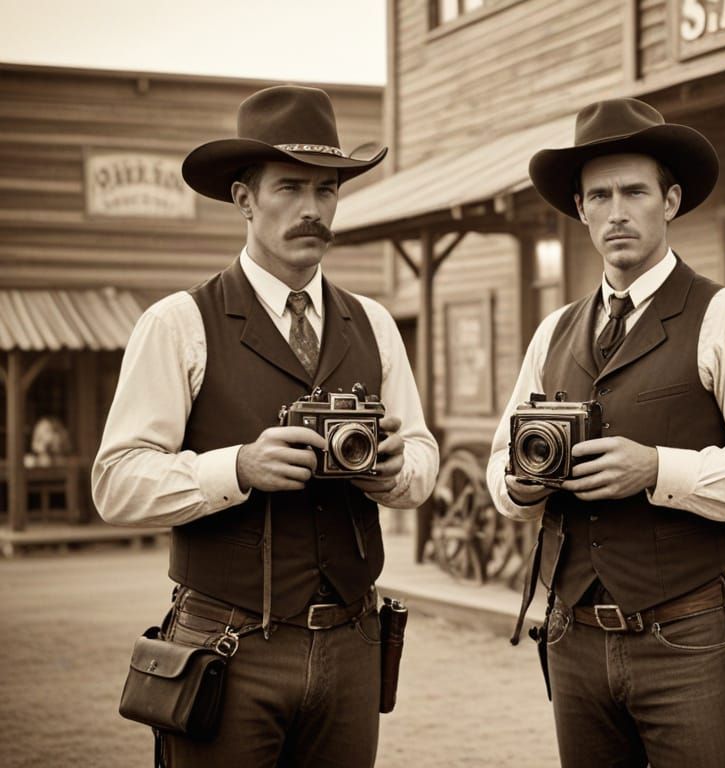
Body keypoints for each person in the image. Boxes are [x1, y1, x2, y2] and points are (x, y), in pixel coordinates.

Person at [92, 85, 438, 767]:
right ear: (244, 197)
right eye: (290, 188)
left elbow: (422, 457)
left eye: (326, 190)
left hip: (351, 640)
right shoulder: (178, 323)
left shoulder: (372, 323)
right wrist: (237, 468)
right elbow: (115, 482)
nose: (312, 210)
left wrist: (396, 473)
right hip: (225, 644)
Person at [486, 97, 725, 767]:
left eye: (634, 191)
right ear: (579, 210)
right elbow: (498, 465)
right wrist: (519, 484)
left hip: (685, 636)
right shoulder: (554, 331)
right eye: (598, 196)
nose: (617, 211)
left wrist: (660, 470)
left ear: (670, 200)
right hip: (572, 635)